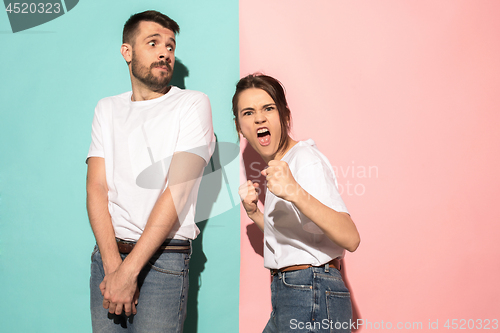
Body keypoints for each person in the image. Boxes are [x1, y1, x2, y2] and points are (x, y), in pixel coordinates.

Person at [86, 10, 215, 332]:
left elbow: (179, 190)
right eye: (153, 43)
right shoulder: (107, 108)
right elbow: (96, 188)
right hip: (107, 256)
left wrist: (128, 273)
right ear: (126, 52)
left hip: (164, 260)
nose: (164, 53)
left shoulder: (192, 104)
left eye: (170, 46)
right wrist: (114, 266)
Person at [234, 74, 360, 332]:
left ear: (284, 116)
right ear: (239, 127)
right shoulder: (283, 165)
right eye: (248, 112)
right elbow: (295, 239)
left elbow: (351, 237)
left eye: (268, 108)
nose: (259, 118)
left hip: (309, 291)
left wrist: (294, 190)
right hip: (291, 292)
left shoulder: (304, 159)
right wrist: (255, 213)